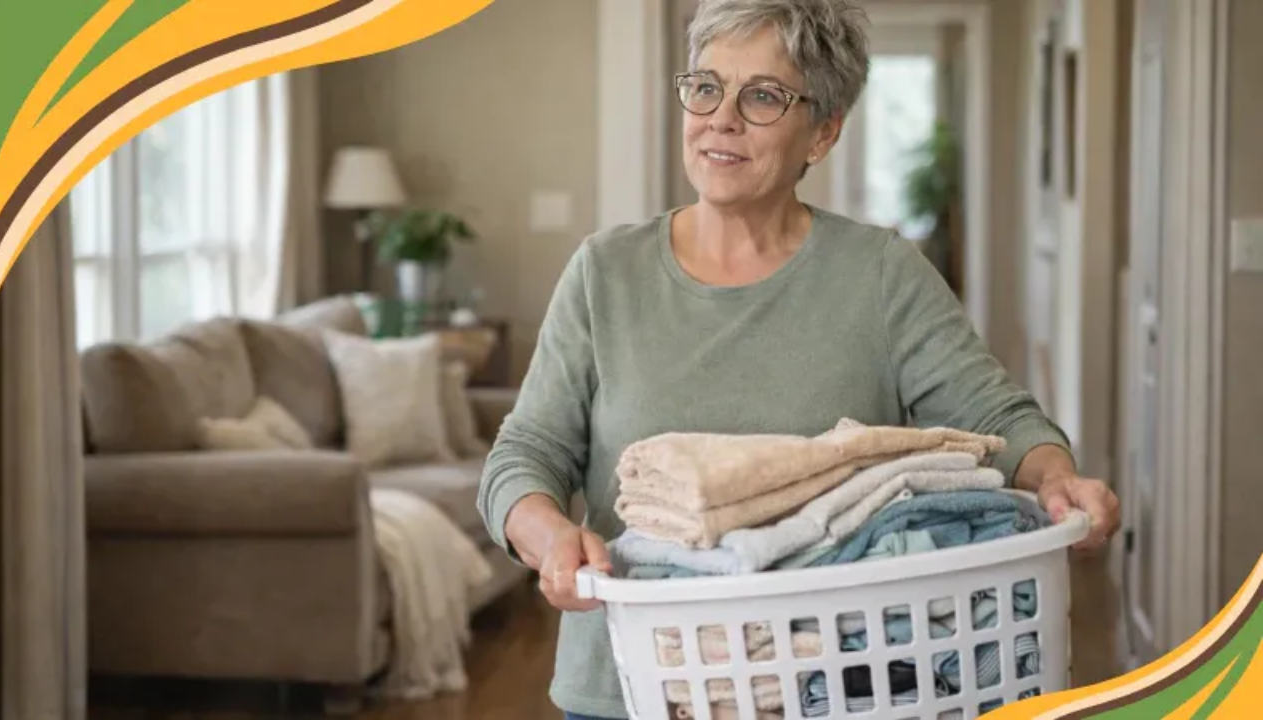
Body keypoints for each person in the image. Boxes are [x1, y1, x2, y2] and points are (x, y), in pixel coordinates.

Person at [476, 1, 1121, 718]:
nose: (721, 117)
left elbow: (996, 418)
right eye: (706, 86)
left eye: (763, 96)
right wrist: (550, 537)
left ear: (823, 132)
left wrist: (1058, 479)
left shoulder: (879, 273)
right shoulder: (605, 272)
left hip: (831, 689)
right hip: (629, 688)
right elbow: (525, 454)